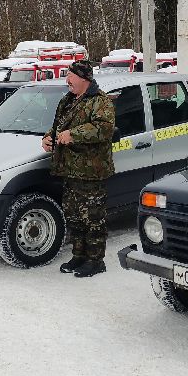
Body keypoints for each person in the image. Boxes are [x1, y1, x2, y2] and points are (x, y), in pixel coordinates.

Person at [42, 60, 115, 278]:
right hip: (69, 170)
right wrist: (48, 137)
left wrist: (74, 135)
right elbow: (58, 127)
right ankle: (78, 255)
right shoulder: (68, 100)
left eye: (70, 76)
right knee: (73, 215)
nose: (67, 80)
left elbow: (104, 129)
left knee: (92, 217)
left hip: (91, 171)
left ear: (83, 78)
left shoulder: (100, 101)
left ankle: (95, 260)